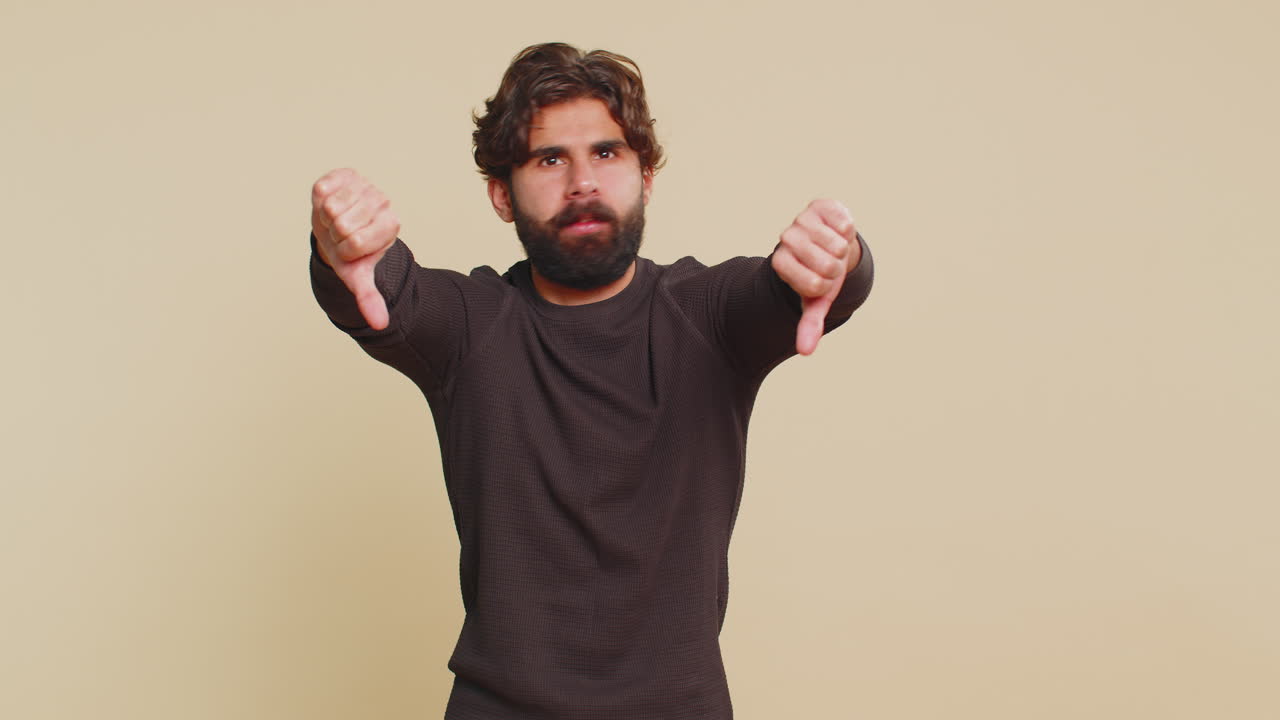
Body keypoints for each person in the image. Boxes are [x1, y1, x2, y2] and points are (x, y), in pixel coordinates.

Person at [309, 42, 873, 720]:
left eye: (606, 152)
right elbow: (387, 291)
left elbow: (788, 287)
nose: (582, 182)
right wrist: (340, 253)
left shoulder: (707, 314)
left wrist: (839, 260)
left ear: (646, 177)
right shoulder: (471, 327)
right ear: (501, 194)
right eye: (549, 159)